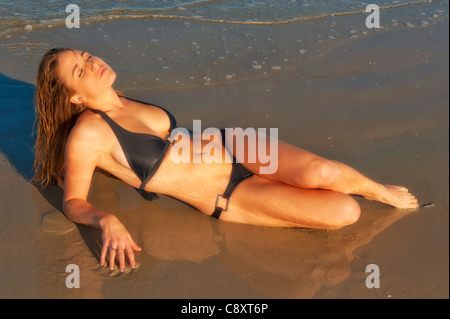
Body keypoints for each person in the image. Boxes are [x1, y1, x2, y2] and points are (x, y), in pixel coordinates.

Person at [32, 48, 419, 272]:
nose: (93, 61)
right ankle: (352, 195)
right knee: (344, 212)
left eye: (85, 54)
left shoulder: (122, 96)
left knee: (325, 171)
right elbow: (72, 202)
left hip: (234, 145)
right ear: (74, 98)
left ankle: (379, 190)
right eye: (80, 70)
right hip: (228, 194)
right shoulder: (88, 133)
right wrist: (108, 220)